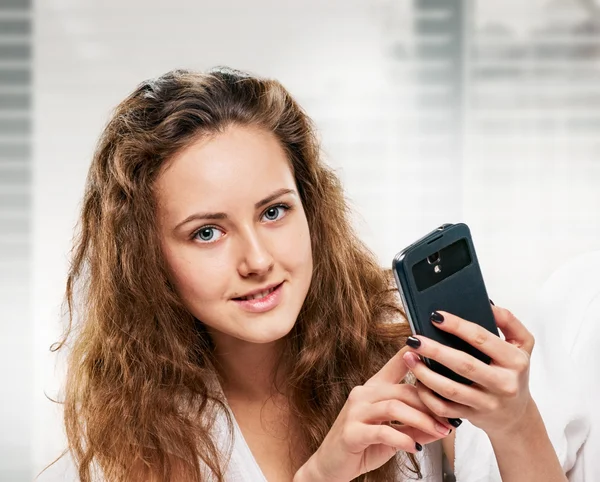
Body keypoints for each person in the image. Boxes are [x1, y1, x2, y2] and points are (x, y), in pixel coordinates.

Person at [50, 67, 588, 481]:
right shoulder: (145, 419)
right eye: (207, 232)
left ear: (310, 208)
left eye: (273, 211)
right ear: (146, 258)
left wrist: (514, 422)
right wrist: (323, 473)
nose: (258, 260)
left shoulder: (408, 344)